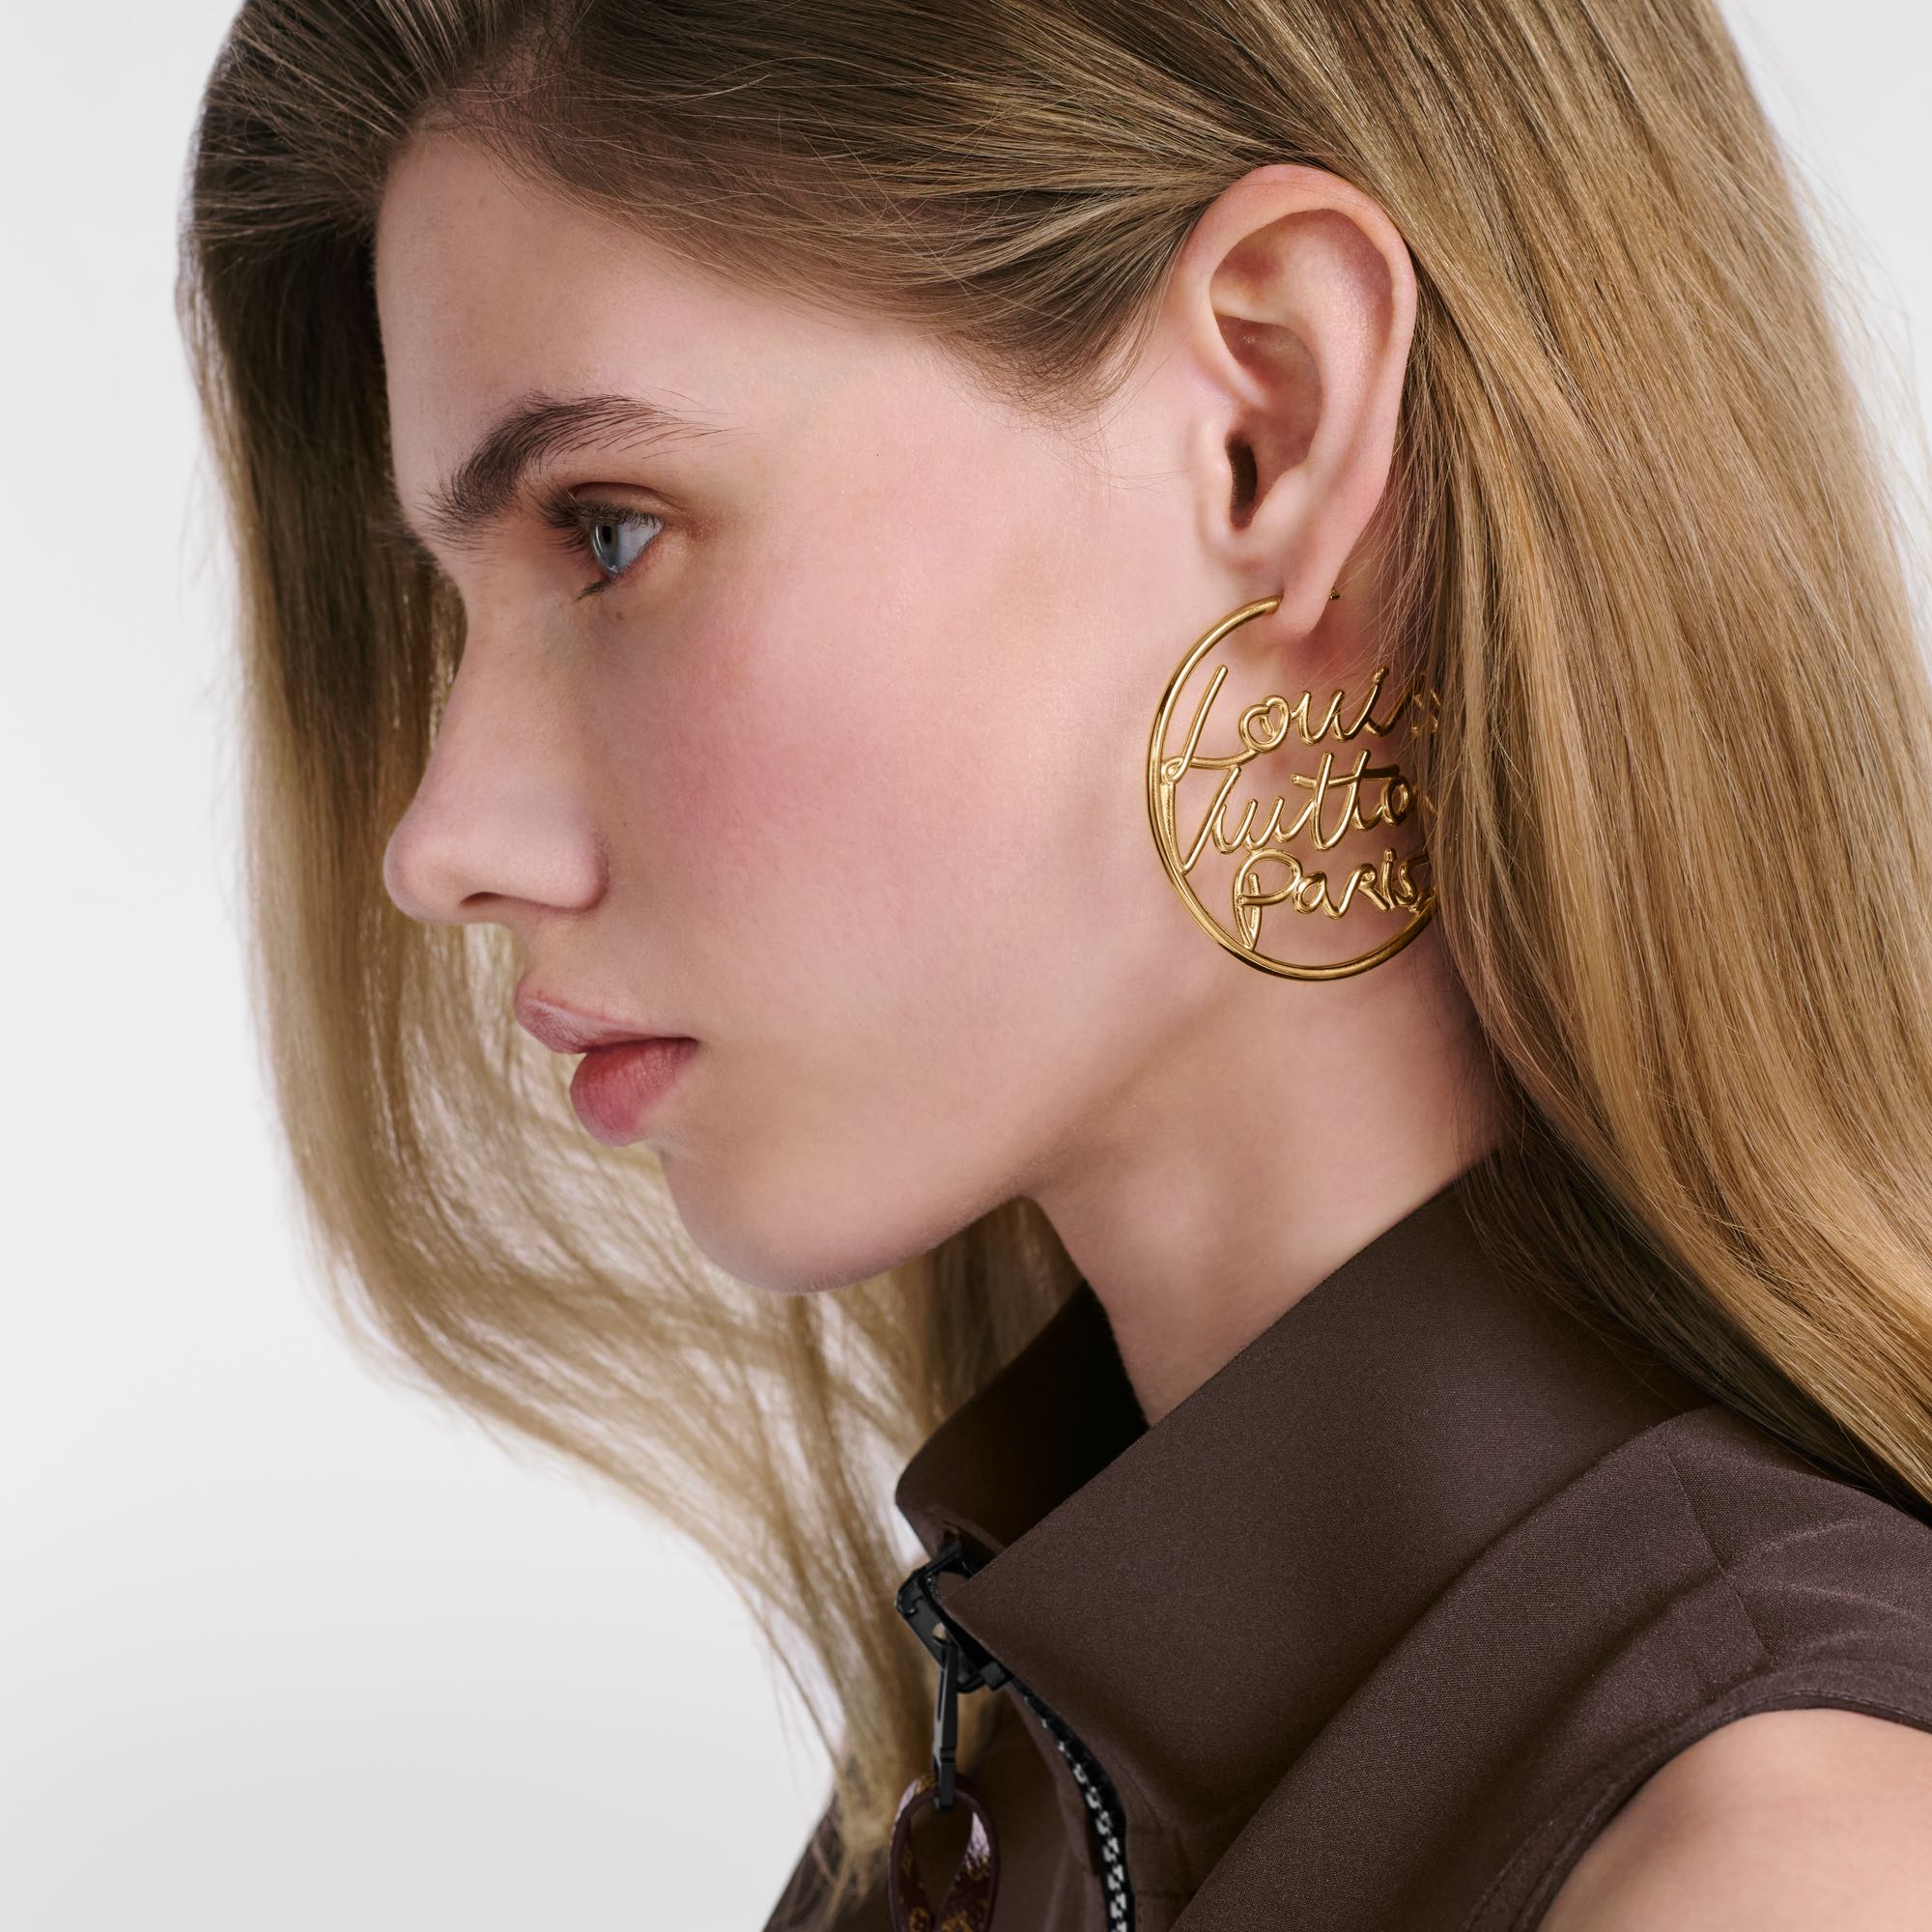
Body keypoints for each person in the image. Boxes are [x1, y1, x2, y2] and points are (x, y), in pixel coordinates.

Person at [177, 2, 1932, 1927]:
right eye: (454, 611)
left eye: (606, 533)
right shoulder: (1023, 1759)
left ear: (1263, 429)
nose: (442, 840)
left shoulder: (1781, 1865)